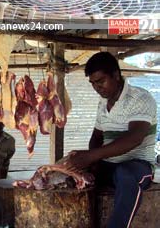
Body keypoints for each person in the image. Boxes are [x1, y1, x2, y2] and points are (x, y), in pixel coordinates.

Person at [64, 52, 156, 228]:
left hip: (138, 166)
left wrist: (92, 156)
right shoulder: (103, 103)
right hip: (109, 166)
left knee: (125, 174)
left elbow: (134, 139)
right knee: (66, 174)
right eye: (93, 83)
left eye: (100, 81)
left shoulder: (141, 98)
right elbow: (97, 137)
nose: (97, 88)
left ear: (116, 75)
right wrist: (89, 164)